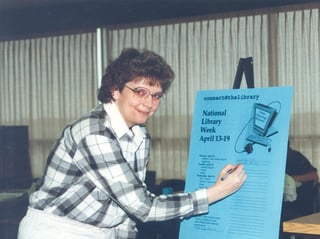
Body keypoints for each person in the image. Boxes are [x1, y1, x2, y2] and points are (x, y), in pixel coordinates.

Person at [18, 48, 247, 239]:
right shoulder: (94, 134)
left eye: (156, 95)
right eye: (140, 92)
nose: (149, 103)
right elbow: (144, 207)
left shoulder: (139, 135)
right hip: (57, 231)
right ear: (115, 90)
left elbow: (126, 213)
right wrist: (216, 192)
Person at [280, 141, 319, 239]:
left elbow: (314, 176)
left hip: (300, 204)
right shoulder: (279, 159)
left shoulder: (295, 157)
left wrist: (291, 179)